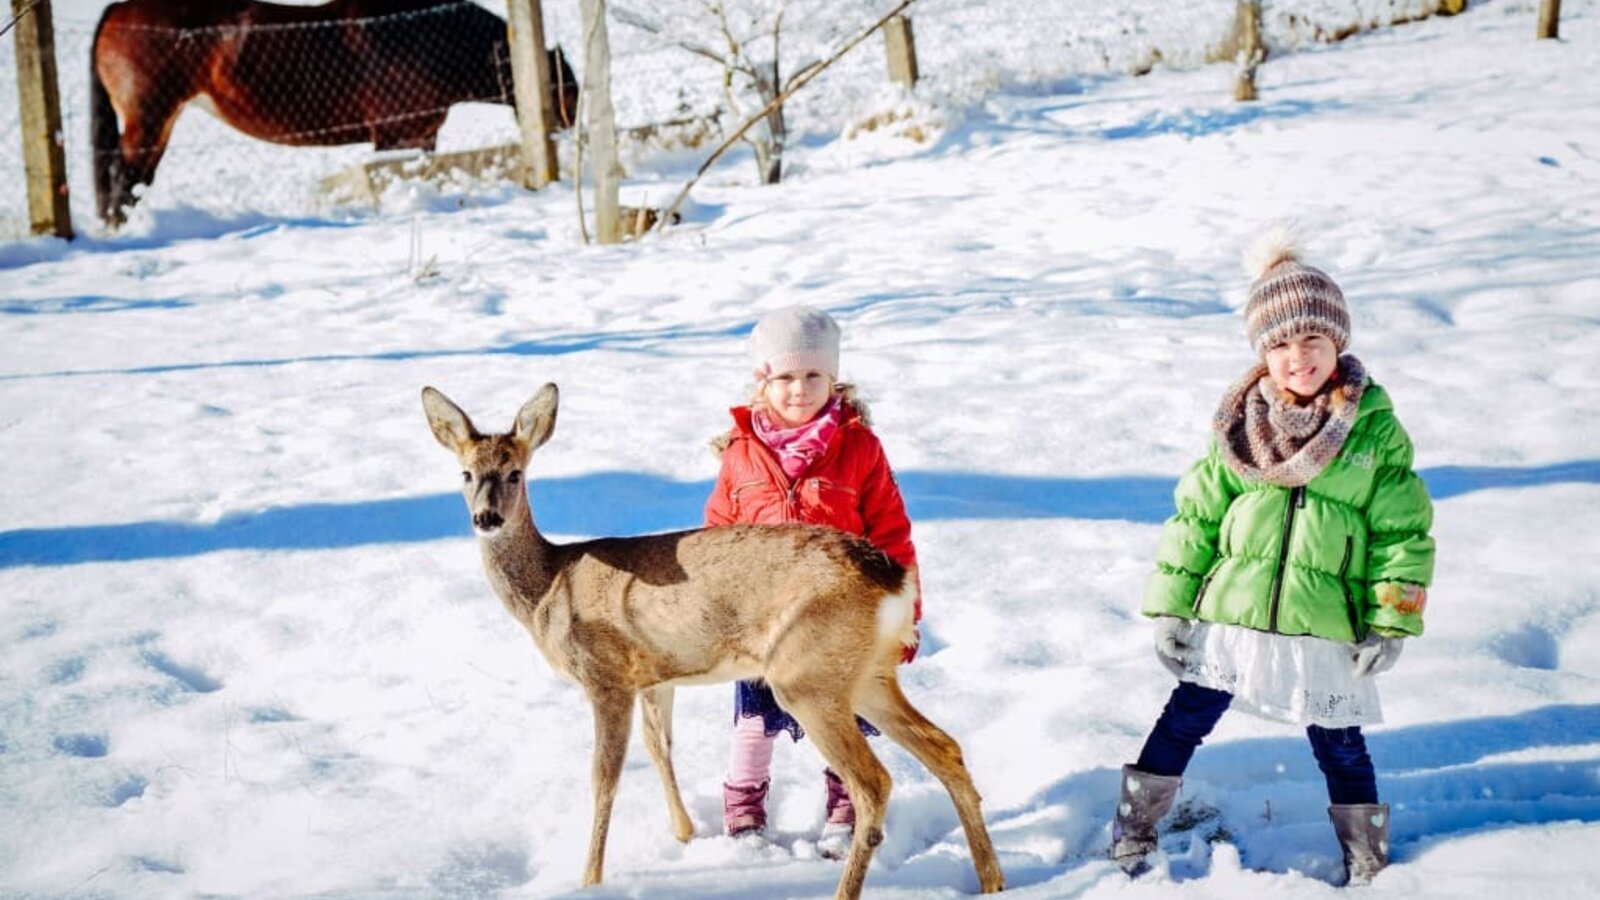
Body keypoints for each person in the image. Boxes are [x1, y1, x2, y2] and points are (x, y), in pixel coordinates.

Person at [1112, 229, 1435, 886]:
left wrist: (1392, 617)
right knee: (1187, 715)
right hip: (1236, 614)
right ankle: (1134, 827)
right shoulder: (1240, 426)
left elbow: (1403, 533)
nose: (1298, 357)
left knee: (1339, 743)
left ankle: (1367, 860)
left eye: (1312, 340)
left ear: (1337, 342)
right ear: (1263, 352)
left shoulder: (1372, 429)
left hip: (1324, 620)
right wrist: (1173, 605)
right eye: (1281, 344)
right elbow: (1196, 516)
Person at [705, 304, 921, 857]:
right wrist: (713, 610)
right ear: (763, 382)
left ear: (834, 379)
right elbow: (717, 538)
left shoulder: (860, 449)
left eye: (812, 376)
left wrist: (902, 617)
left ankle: (848, 807)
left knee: (841, 717)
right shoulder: (741, 455)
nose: (798, 390)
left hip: (838, 619)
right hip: (761, 624)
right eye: (784, 377)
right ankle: (744, 814)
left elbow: (892, 536)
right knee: (754, 724)